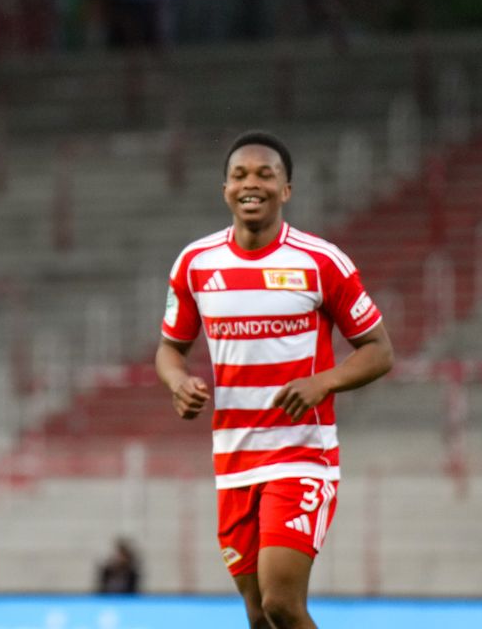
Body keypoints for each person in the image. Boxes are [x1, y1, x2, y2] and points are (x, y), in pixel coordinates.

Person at [153, 132, 394, 629]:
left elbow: (379, 351)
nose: (252, 184)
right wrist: (177, 382)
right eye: (240, 175)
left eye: (266, 174)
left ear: (287, 190)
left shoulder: (321, 261)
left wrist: (323, 382)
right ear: (224, 189)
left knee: (281, 604)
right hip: (233, 460)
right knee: (257, 615)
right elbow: (169, 350)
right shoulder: (196, 264)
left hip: (302, 454)